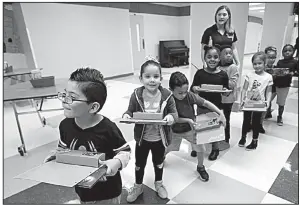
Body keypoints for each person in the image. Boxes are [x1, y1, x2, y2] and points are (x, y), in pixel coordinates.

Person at [44, 68, 131, 204]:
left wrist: (117, 162)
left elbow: (125, 151)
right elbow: (64, 148)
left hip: (107, 193)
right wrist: (58, 155)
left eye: (71, 97)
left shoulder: (108, 129)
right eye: (64, 94)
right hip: (81, 188)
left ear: (93, 107)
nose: (64, 101)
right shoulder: (64, 126)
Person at [123, 58, 178, 203]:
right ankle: (138, 186)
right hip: (142, 139)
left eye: (156, 76)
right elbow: (130, 110)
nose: (152, 80)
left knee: (158, 162)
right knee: (139, 164)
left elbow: (174, 113)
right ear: (141, 78)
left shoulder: (167, 95)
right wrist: (127, 115)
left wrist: (171, 117)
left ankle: (159, 183)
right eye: (147, 77)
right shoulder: (136, 95)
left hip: (160, 138)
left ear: (161, 78)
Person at [166, 71, 226, 182]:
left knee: (200, 149)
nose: (183, 95)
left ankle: (200, 167)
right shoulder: (168, 100)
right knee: (166, 148)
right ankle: (160, 159)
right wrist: (188, 120)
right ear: (171, 90)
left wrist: (220, 113)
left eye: (185, 91)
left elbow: (206, 103)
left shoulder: (189, 95)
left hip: (190, 129)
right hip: (174, 130)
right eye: (180, 93)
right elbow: (173, 118)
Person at [190, 46, 229, 160]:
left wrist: (226, 91)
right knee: (201, 126)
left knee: (214, 127)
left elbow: (225, 91)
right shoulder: (200, 73)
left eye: (215, 57)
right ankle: (198, 148)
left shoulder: (223, 74)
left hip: (216, 106)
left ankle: (215, 149)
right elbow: (193, 87)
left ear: (219, 59)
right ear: (205, 58)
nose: (212, 59)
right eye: (209, 57)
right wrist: (195, 88)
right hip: (202, 105)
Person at [239, 52, 273, 150]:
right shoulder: (249, 75)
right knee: (246, 121)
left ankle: (254, 141)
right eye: (255, 64)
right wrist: (242, 99)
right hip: (249, 102)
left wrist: (268, 101)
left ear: (264, 63)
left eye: (259, 63)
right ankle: (243, 138)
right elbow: (244, 88)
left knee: (256, 122)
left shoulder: (268, 77)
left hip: (259, 103)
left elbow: (269, 91)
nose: (257, 66)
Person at [219, 45, 239, 147]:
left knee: (226, 118)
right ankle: (217, 137)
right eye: (225, 53)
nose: (228, 56)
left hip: (228, 99)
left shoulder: (233, 67)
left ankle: (226, 138)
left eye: (230, 54)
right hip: (217, 98)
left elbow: (232, 84)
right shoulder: (217, 67)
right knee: (217, 117)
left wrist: (220, 78)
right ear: (220, 56)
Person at [273, 44, 298, 126]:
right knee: (268, 99)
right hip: (275, 83)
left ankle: (279, 116)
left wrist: (292, 73)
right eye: (285, 51)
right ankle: (267, 113)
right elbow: (276, 70)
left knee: (281, 102)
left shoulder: (295, 62)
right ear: (282, 53)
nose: (287, 52)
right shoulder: (280, 62)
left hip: (284, 85)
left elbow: (297, 72)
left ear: (293, 52)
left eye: (289, 50)